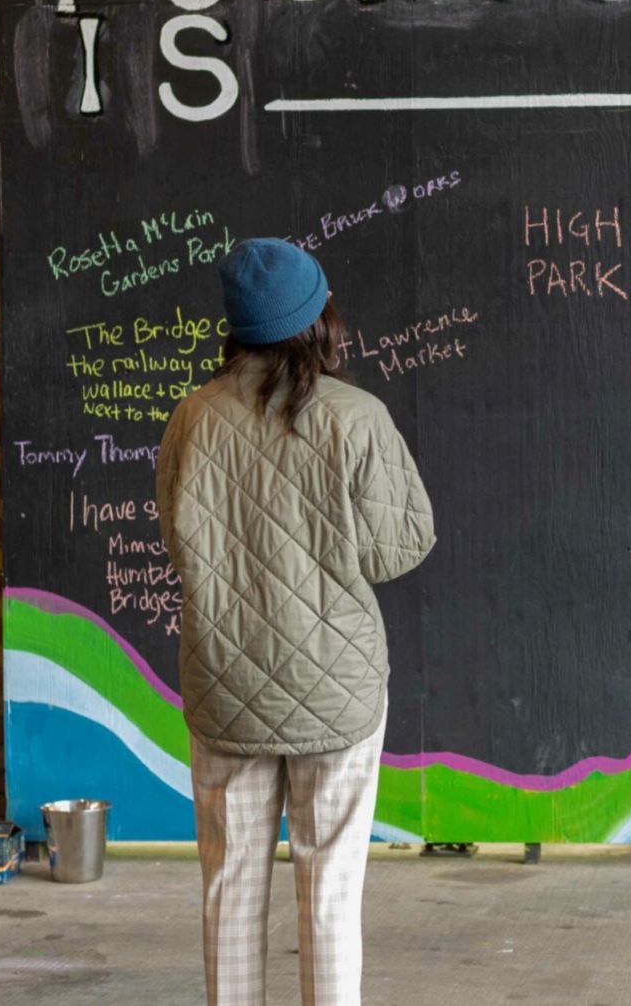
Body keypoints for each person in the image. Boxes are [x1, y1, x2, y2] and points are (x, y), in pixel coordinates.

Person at [156, 238, 436, 1006]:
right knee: (331, 888)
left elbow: (179, 537)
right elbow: (400, 547)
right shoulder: (359, 417)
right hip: (337, 685)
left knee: (231, 882)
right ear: (319, 318)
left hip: (223, 678)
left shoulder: (192, 417)